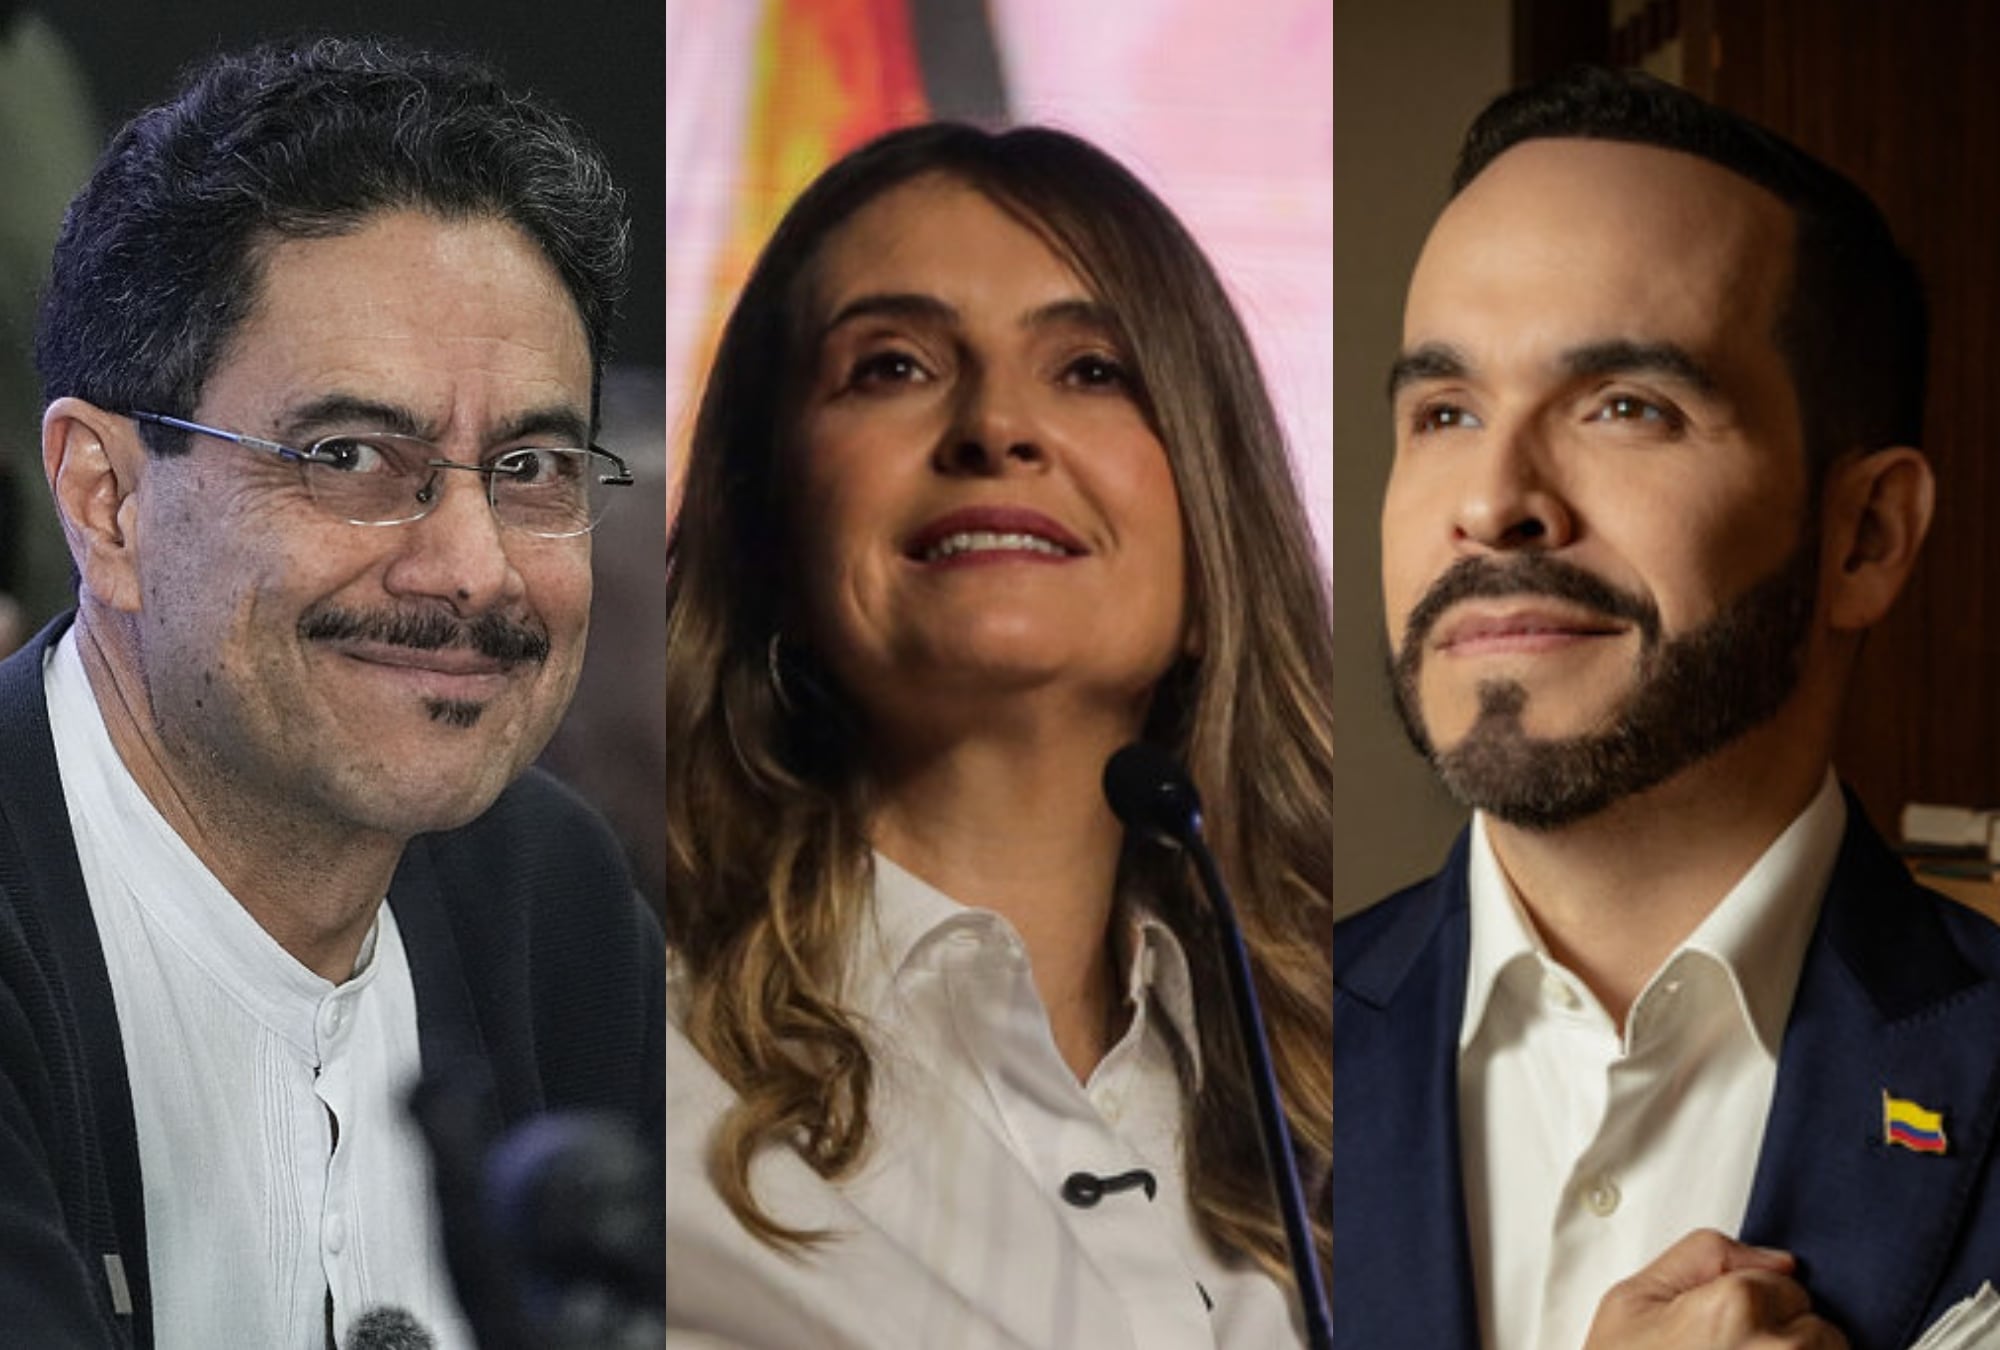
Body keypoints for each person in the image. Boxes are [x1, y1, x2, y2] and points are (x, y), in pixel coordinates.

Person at [0, 38, 663, 1348]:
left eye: (531, 464)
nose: (475, 569)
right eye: (351, 455)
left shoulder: (548, 895)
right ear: (107, 500)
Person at [1334, 66, 2000, 1350]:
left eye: (1623, 407)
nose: (1490, 499)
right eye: (1445, 410)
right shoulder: (1185, 1065)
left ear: (1864, 536)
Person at [663, 122, 1334, 1347]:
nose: (994, 429)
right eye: (891, 366)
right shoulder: (619, 1065)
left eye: (1090, 369)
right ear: (768, 541)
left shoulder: (1362, 1086)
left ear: (1213, 525)